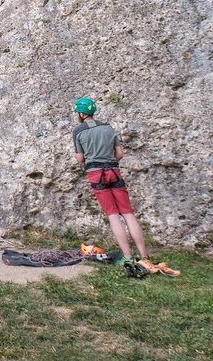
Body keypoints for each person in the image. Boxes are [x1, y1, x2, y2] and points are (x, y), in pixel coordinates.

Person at [72, 97, 177, 275]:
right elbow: (120, 153)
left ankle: (128, 257)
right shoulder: (108, 128)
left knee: (113, 216)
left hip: (96, 174)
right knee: (128, 213)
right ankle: (144, 257)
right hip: (114, 172)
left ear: (81, 113)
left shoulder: (78, 131)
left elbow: (80, 159)